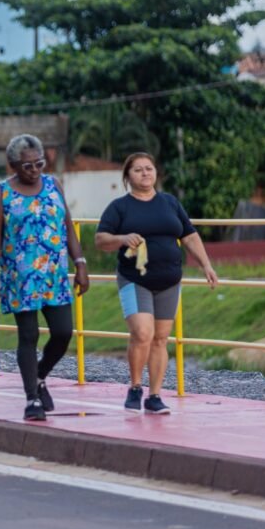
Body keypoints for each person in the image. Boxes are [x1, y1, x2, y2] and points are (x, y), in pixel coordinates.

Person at [95, 152, 218, 415]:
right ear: (128, 176)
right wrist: (122, 238)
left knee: (160, 339)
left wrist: (206, 264)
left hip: (169, 280)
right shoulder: (120, 207)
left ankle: (154, 396)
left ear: (156, 172)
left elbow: (189, 235)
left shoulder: (169, 203)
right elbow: (100, 239)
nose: (145, 173)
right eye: (138, 170)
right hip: (134, 279)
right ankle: (135, 387)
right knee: (142, 333)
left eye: (149, 168)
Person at [0, 134, 90, 421]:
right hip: (21, 277)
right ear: (13, 165)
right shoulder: (1, 194)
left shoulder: (54, 185)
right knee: (28, 335)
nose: (34, 170)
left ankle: (40, 375)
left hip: (54, 274)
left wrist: (80, 263)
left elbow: (67, 226)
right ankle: (32, 398)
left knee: (63, 332)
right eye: (27, 166)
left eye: (39, 163)